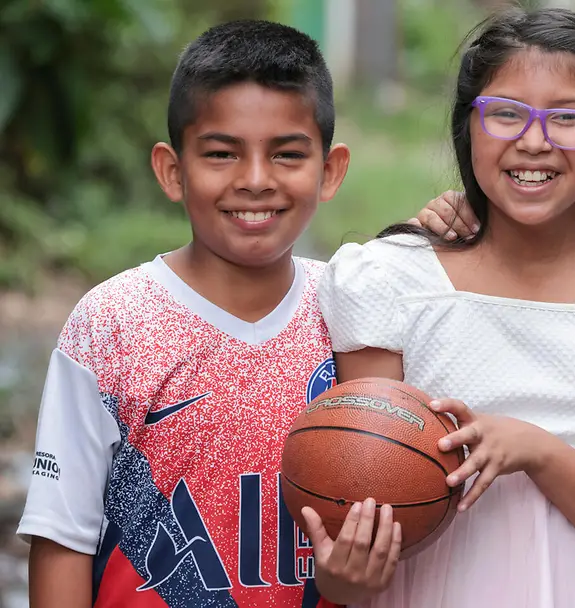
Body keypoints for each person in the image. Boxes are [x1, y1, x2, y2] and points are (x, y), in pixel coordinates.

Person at [17, 20, 465, 608]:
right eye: (222, 153)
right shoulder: (111, 323)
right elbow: (62, 538)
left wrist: (472, 239)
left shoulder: (356, 303)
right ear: (172, 170)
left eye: (286, 154)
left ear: (330, 170)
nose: (255, 181)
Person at [312, 7, 575, 608]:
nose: (534, 141)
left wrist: (538, 452)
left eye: (566, 119)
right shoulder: (393, 280)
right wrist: (345, 576)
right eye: (505, 114)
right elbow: (363, 489)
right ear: (469, 127)